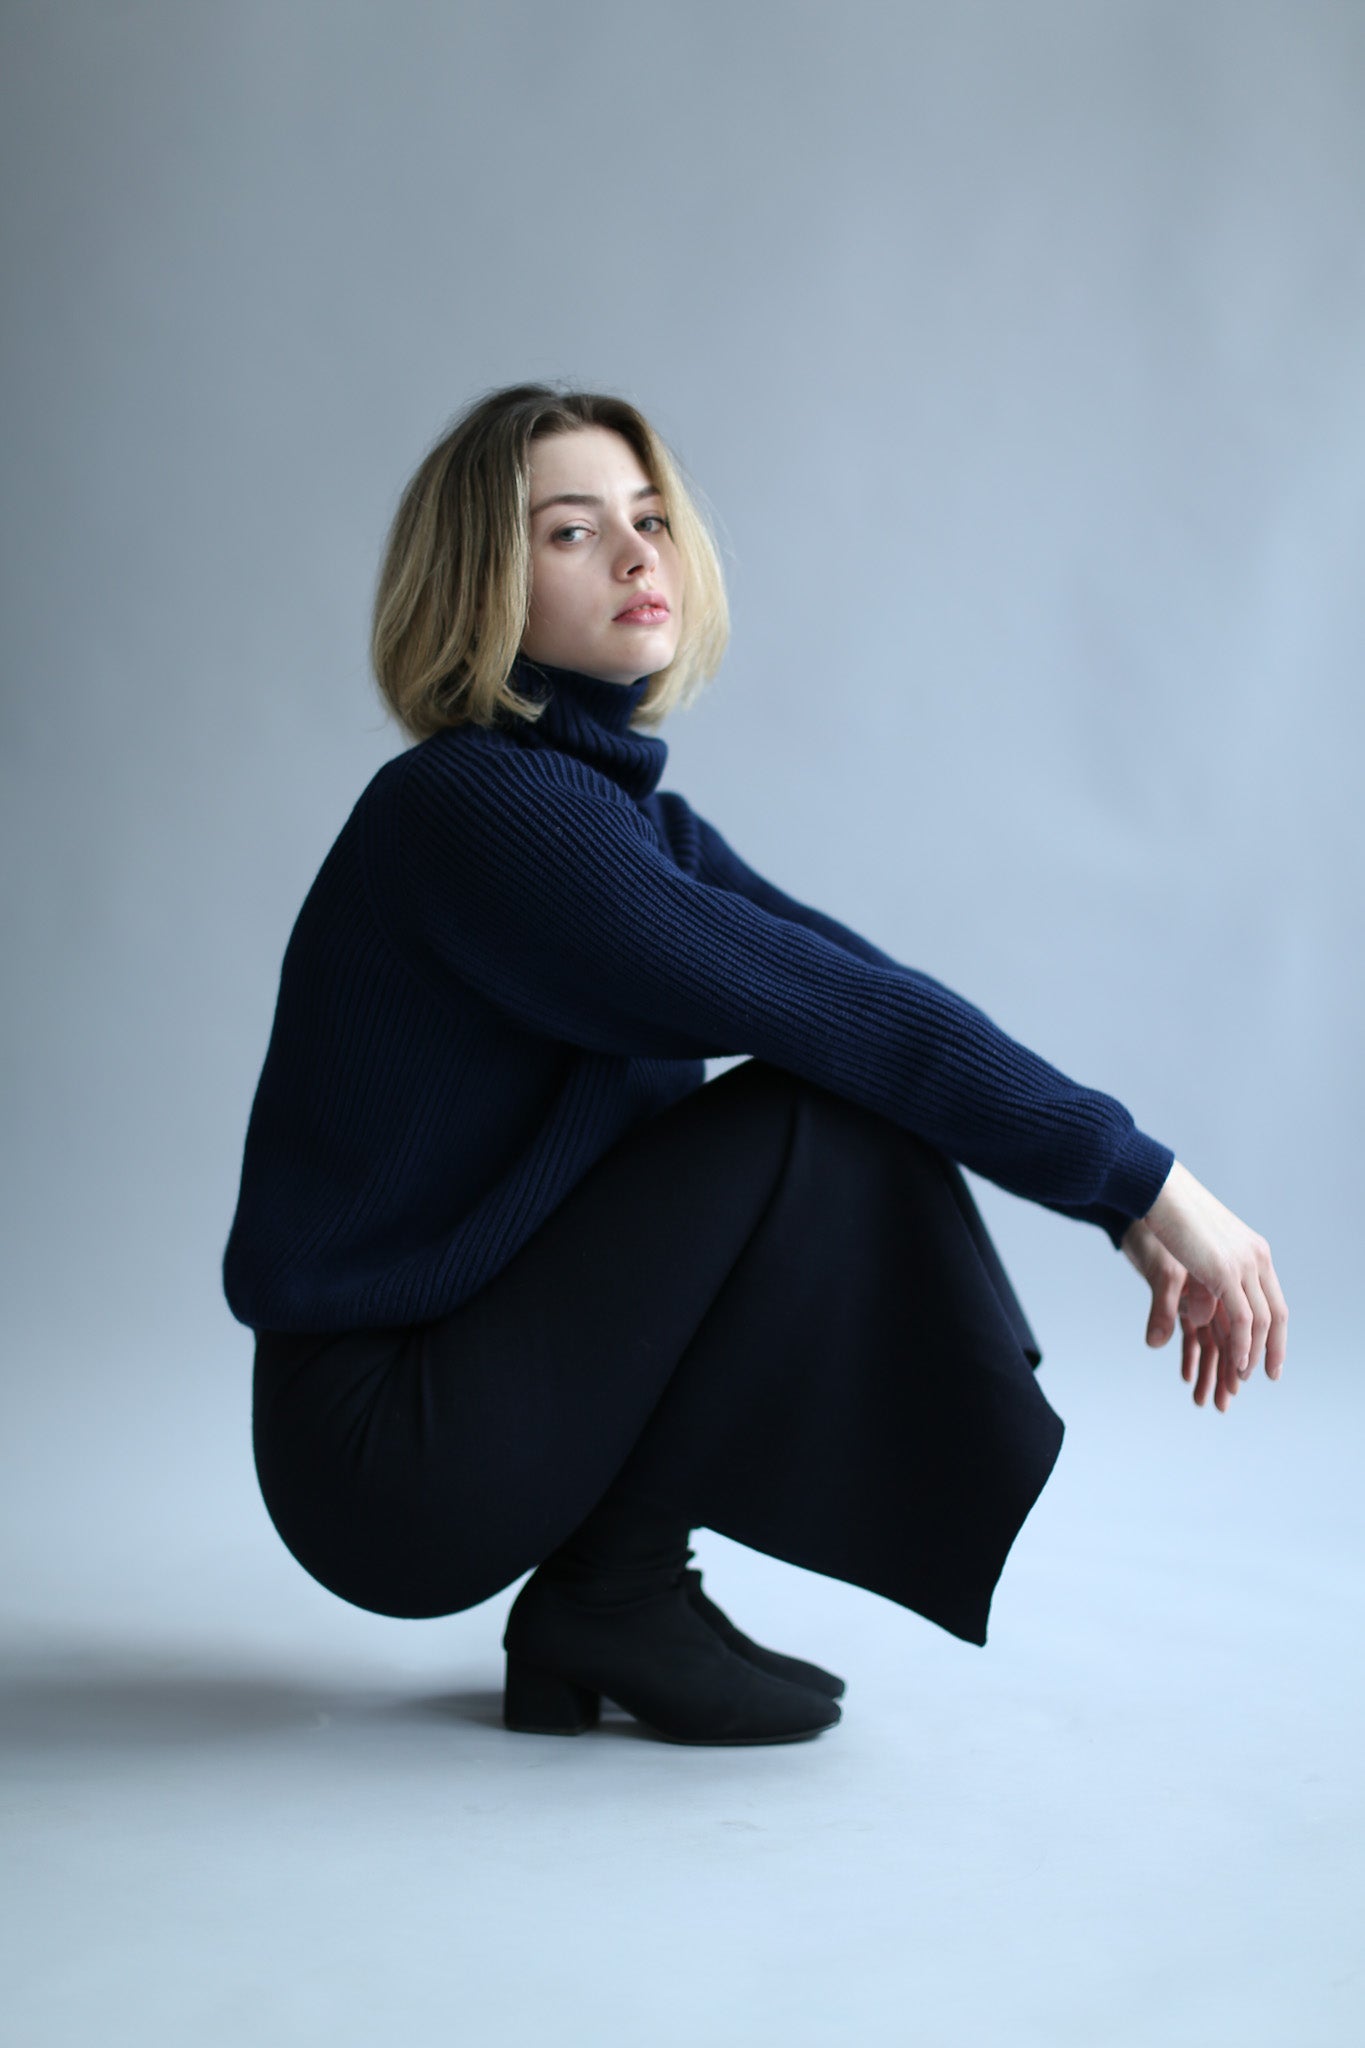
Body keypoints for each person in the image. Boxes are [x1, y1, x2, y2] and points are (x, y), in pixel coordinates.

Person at [223, 382, 1289, 1748]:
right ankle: (615, 1592)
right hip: (382, 1450)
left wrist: (1119, 1189)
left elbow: (866, 987)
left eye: (650, 518)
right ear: (478, 578)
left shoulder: (622, 821)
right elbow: (843, 1023)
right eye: (568, 531)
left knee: (837, 1079)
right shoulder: (479, 814)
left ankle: (614, 1596)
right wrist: (1146, 1188)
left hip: (474, 1390)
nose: (634, 556)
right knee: (809, 1112)